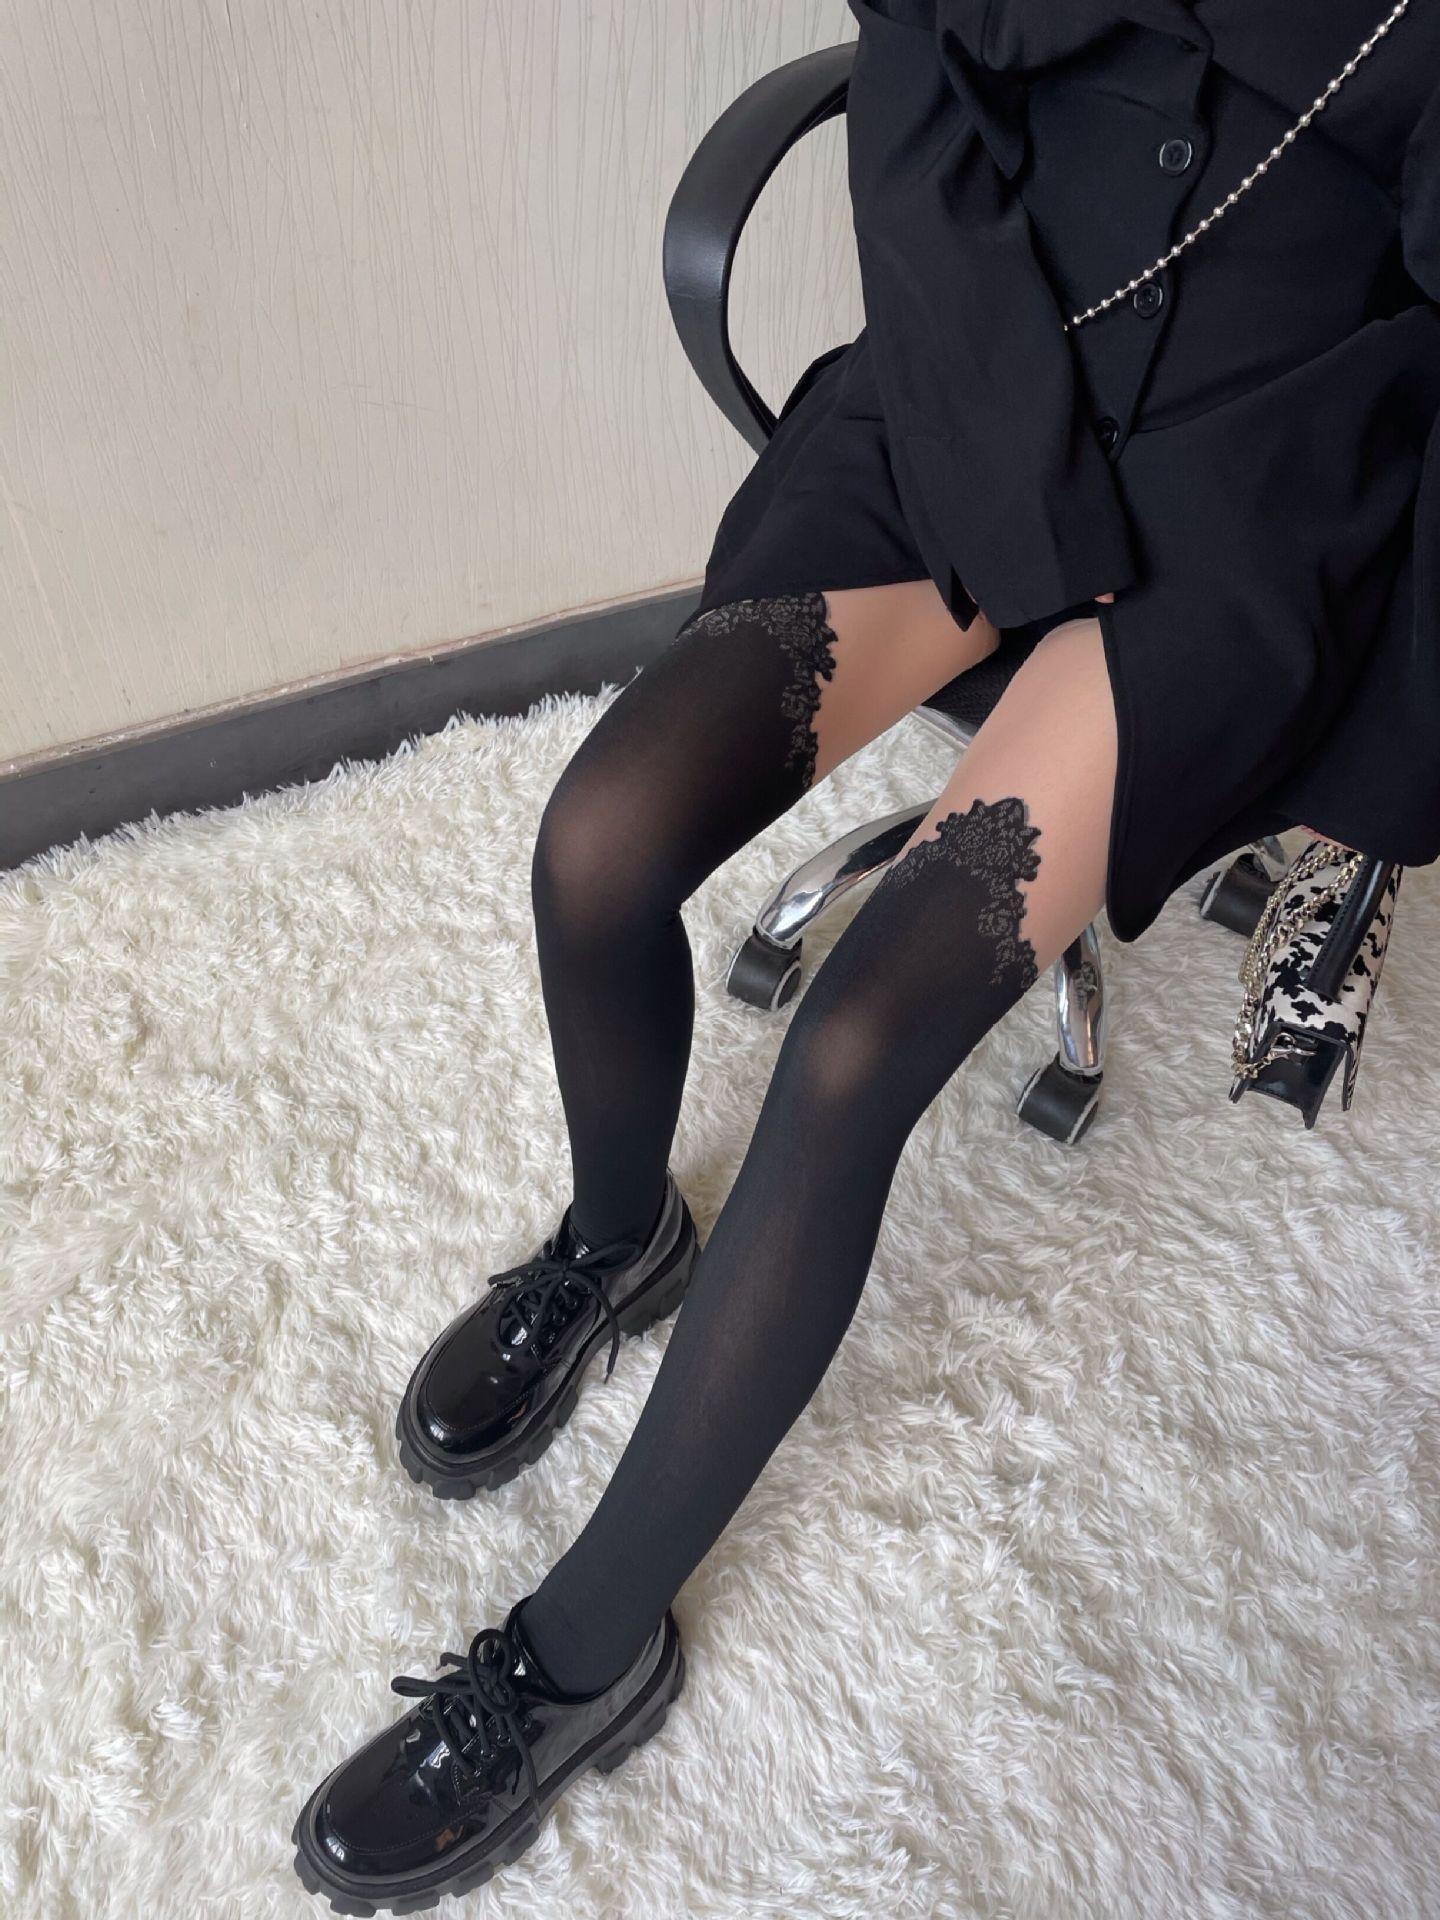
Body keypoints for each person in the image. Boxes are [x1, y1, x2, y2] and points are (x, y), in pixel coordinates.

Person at [292, 3, 1440, 1908]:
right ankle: (616, 1242)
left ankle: (582, 1656)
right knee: (598, 843)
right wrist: (1010, 470)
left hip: (1246, 506)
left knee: (852, 1052)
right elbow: (919, 54)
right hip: (979, 384)